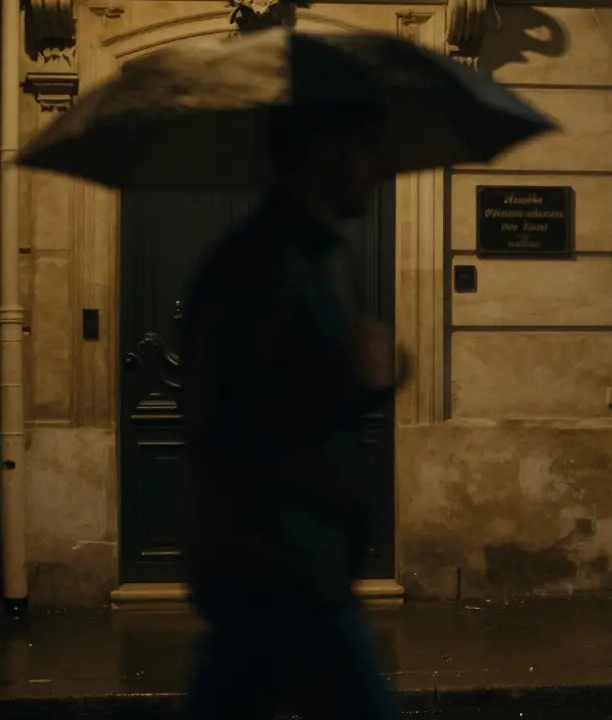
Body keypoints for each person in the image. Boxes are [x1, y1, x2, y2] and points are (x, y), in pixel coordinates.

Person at [178, 104, 406, 719]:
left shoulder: (303, 256)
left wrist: (373, 377)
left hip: (286, 562)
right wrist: (354, 379)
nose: (378, 166)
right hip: (285, 562)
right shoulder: (264, 265)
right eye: (365, 147)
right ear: (321, 153)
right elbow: (241, 415)